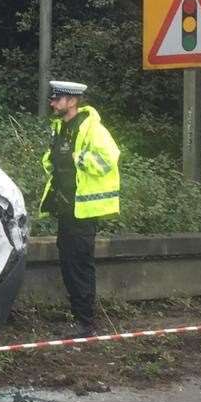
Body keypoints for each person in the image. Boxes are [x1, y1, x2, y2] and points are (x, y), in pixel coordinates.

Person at [39, 81, 121, 337]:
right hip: (66, 208)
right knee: (68, 261)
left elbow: (110, 158)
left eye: (57, 99)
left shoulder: (92, 128)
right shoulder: (60, 127)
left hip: (83, 209)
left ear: (72, 101)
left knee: (79, 264)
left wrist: (78, 158)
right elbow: (53, 161)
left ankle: (85, 323)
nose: (52, 103)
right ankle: (78, 316)